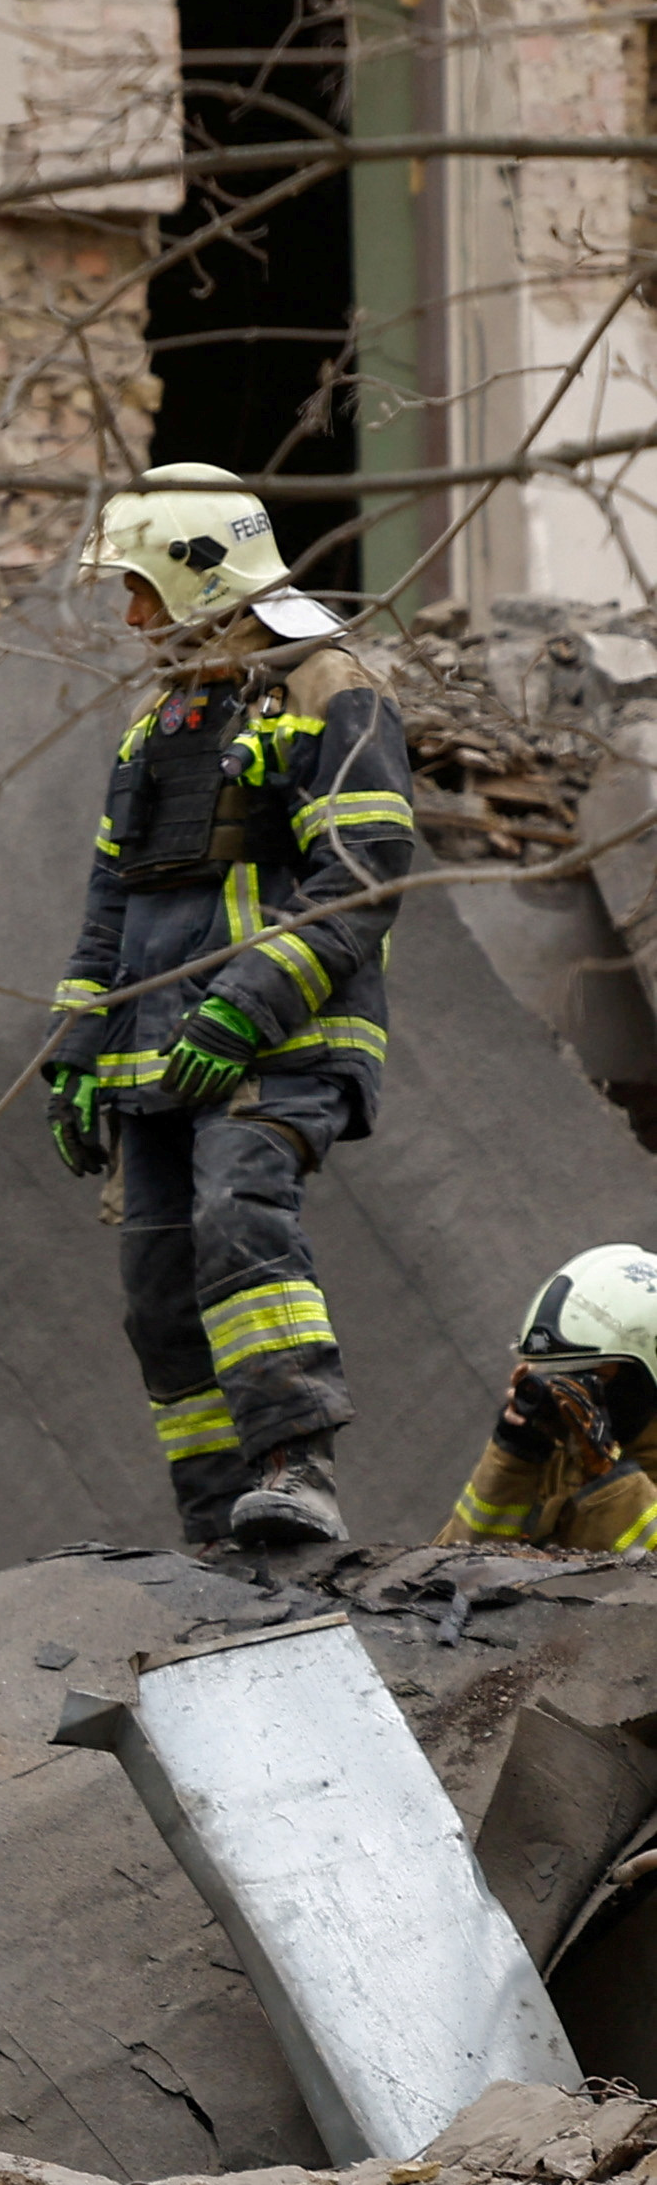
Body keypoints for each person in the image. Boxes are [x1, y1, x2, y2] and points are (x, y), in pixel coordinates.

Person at [40, 474, 414, 1549]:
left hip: (280, 1038)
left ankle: (297, 1473)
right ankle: (218, 1533)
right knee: (158, 1293)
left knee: (238, 1226)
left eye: (142, 591)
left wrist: (240, 1009)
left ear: (201, 571)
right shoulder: (159, 715)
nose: (131, 618)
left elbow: (361, 873)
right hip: (154, 1057)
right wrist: (75, 1047)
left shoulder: (328, 684)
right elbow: (112, 898)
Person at [450, 1248, 657, 1553]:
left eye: (587, 1377)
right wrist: (513, 1457)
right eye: (552, 1375)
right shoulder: (561, 1458)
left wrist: (607, 1476)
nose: (566, 1393)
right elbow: (444, 1576)